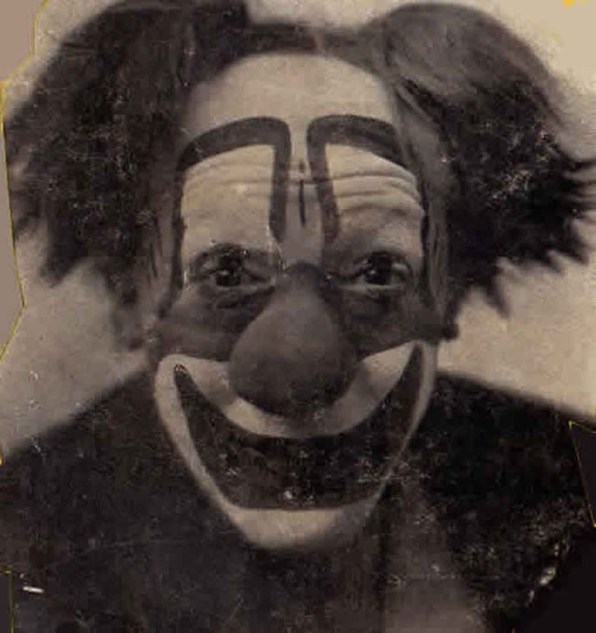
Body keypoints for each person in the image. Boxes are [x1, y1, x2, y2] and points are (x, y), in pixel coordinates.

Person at [0, 0, 594, 630]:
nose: (298, 373)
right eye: (227, 273)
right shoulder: (22, 545)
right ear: (129, 296)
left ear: (449, 290)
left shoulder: (575, 497)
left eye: (377, 272)